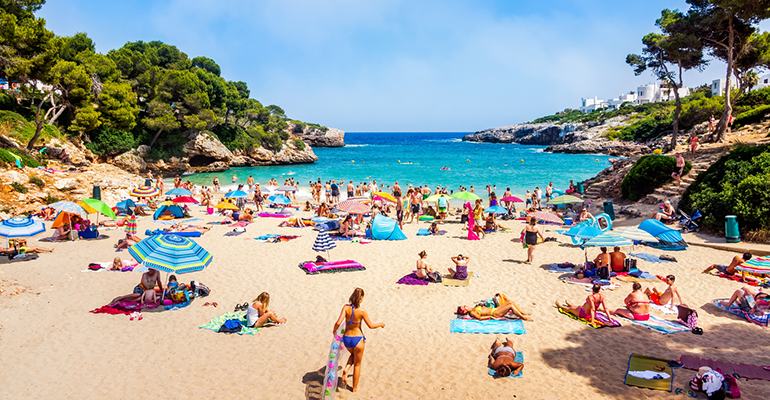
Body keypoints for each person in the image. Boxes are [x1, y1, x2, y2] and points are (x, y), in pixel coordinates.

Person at [333, 288, 385, 393]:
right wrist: (380, 324)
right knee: (357, 364)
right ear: (361, 299)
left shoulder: (345, 307)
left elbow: (338, 322)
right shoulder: (362, 311)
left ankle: (346, 369)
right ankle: (355, 388)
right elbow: (370, 325)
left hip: (347, 339)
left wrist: (335, 333)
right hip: (358, 339)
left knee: (353, 355)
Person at [457, 298, 533, 321]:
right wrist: (490, 317)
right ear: (464, 311)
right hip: (495, 313)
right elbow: (479, 318)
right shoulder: (472, 313)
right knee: (510, 306)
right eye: (464, 307)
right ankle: (523, 318)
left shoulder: (473, 308)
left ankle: (521, 312)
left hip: (495, 309)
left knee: (510, 301)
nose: (465, 305)